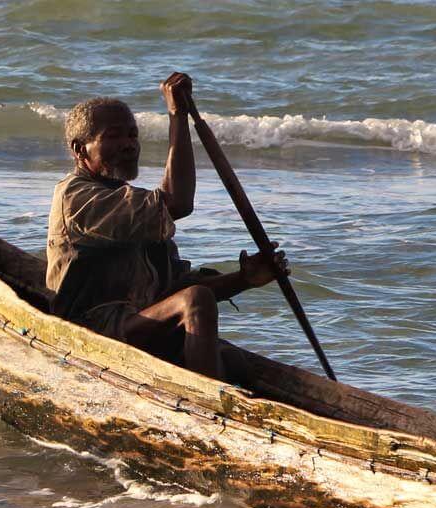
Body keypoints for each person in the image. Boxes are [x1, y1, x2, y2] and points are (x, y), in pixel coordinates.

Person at [46, 72, 287, 379]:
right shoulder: (77, 197)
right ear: (81, 150)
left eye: (133, 135)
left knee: (238, 364)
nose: (129, 145)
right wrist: (177, 116)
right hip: (91, 336)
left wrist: (244, 279)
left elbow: (175, 288)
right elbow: (177, 202)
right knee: (195, 302)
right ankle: (204, 403)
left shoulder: (130, 204)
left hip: (137, 327)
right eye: (114, 136)